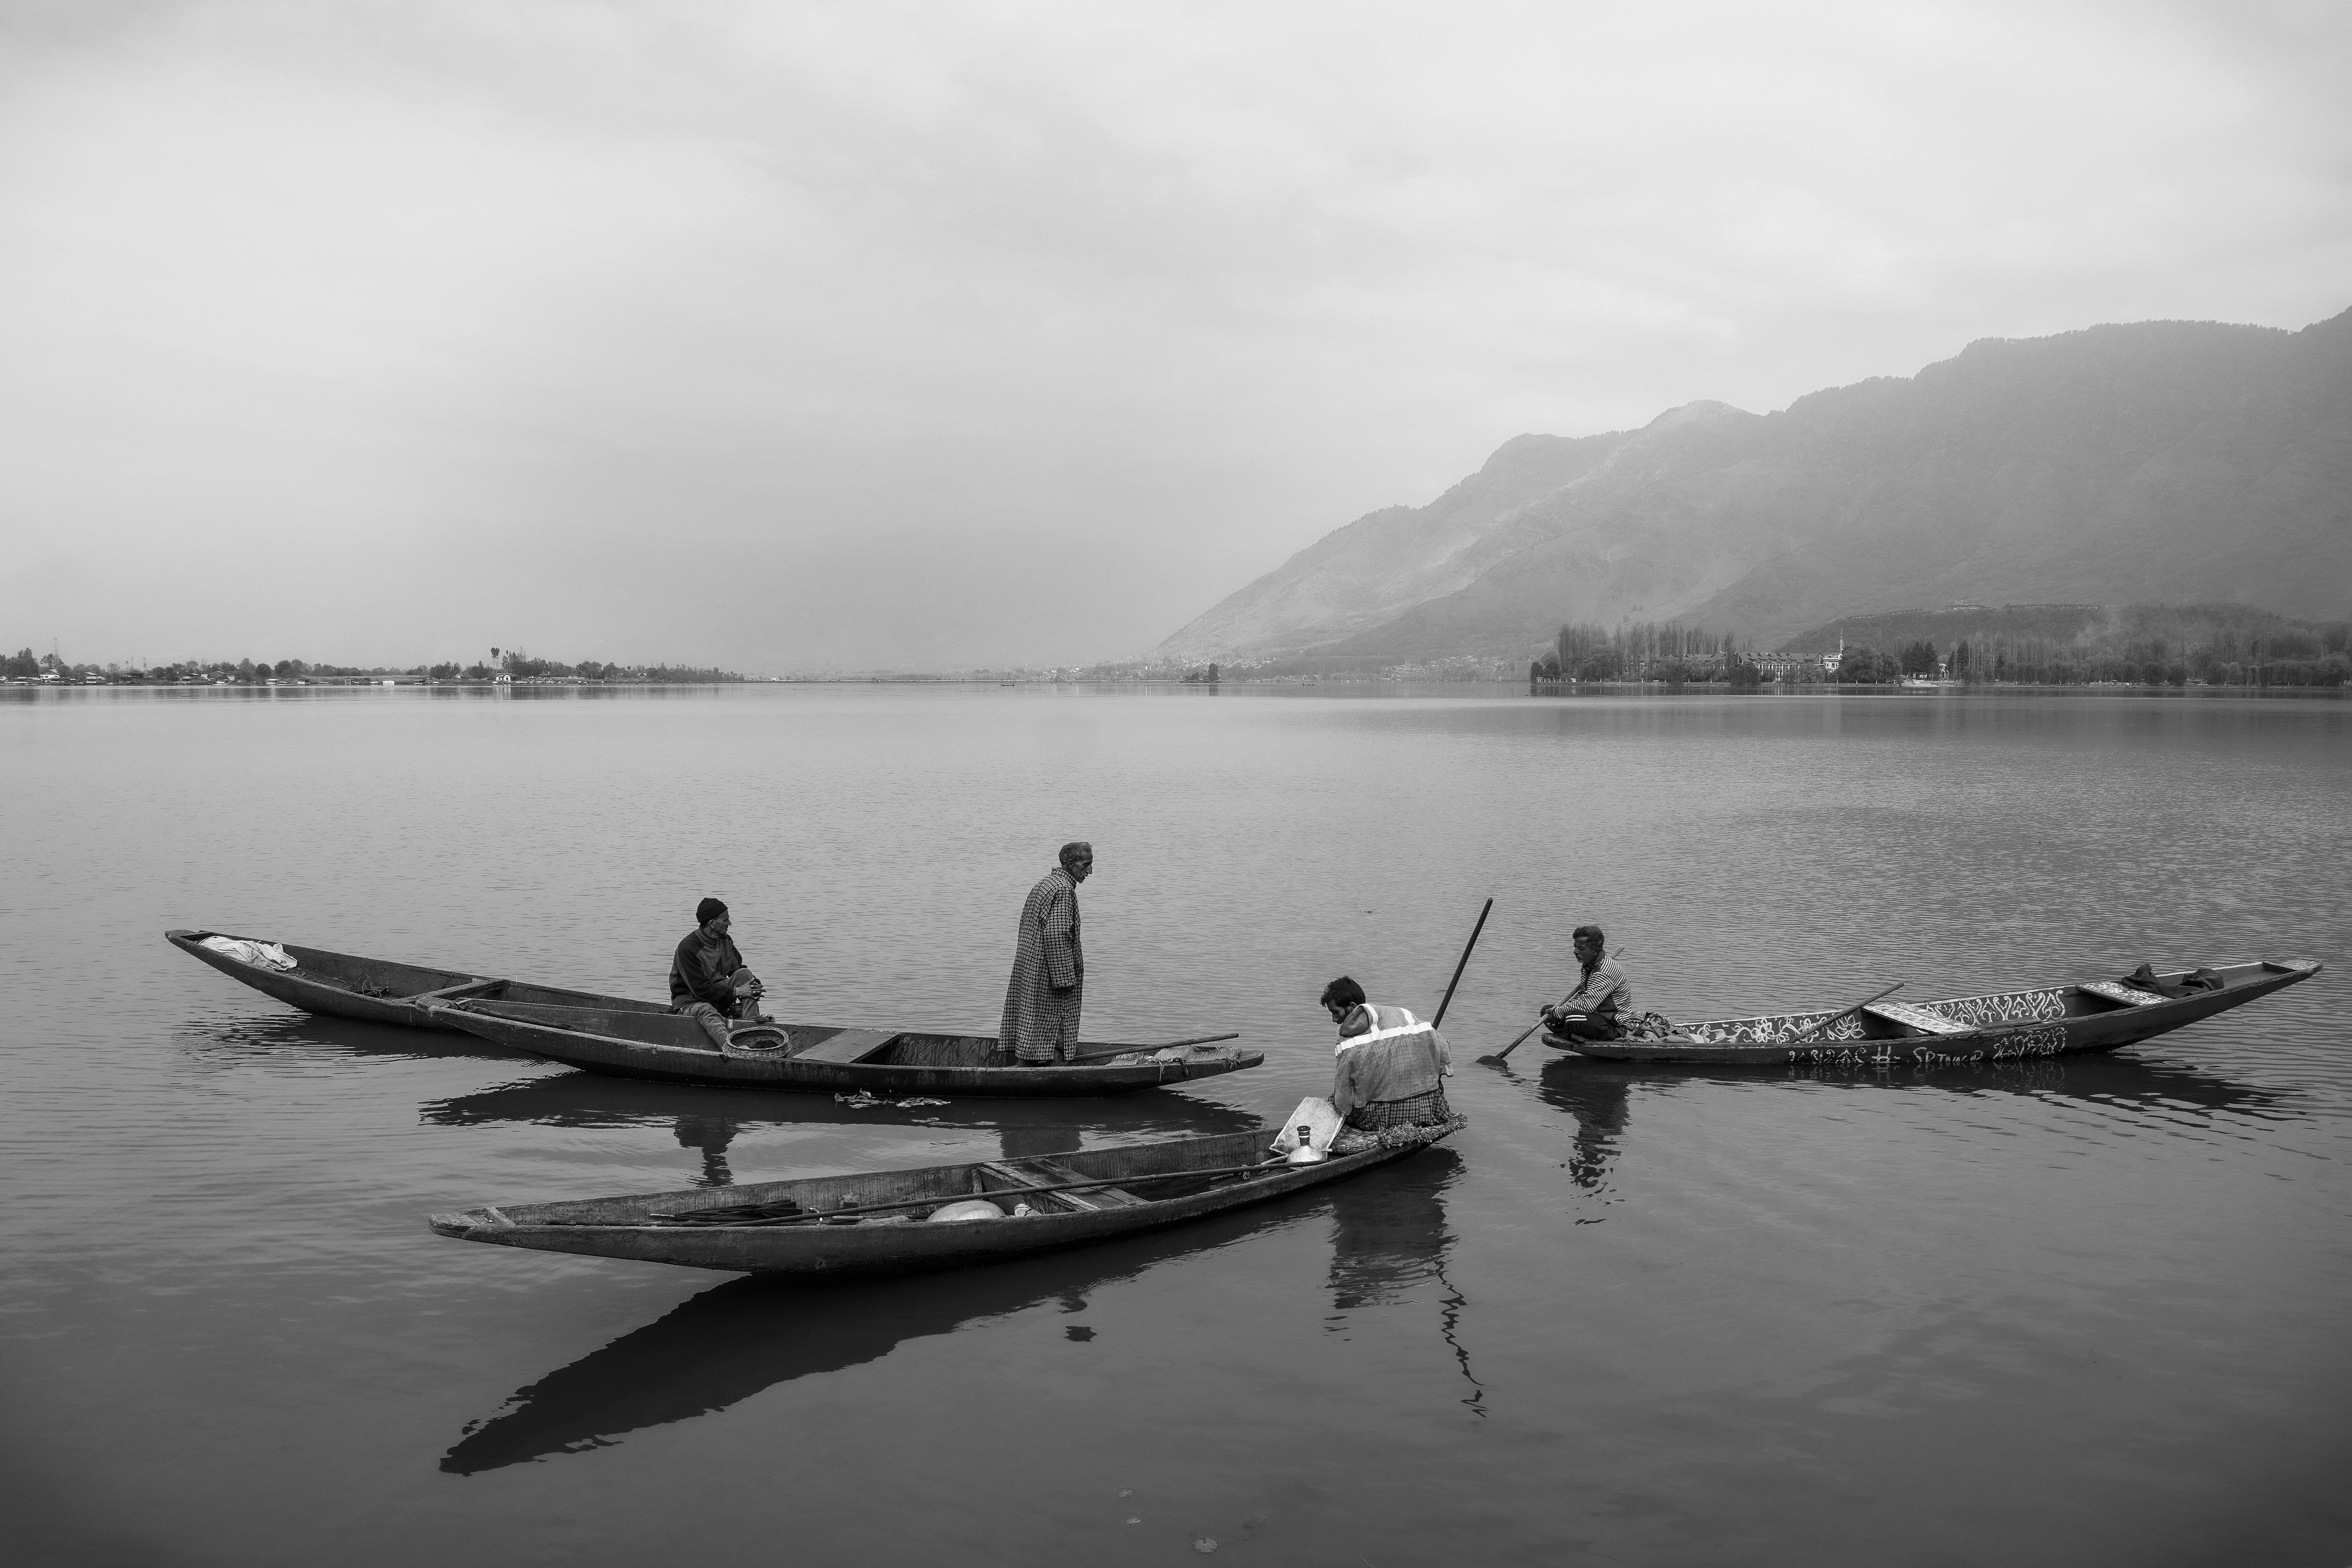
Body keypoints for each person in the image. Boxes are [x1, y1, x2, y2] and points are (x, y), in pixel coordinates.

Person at [999, 842, 1091, 1065]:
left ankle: (1027, 1064)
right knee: (1054, 1022)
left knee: (1033, 1019)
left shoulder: (1045, 884)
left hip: (1030, 964)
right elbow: (1056, 935)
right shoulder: (1064, 890)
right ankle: (1052, 1066)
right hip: (1047, 971)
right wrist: (1065, 979)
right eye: (1086, 865)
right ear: (1070, 865)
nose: (1089, 871)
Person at [1323, 975, 1454, 1129]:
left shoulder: (1349, 1044)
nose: (1334, 1019)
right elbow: (1443, 1046)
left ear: (1352, 1008)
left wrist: (1337, 1108)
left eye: (1335, 1012)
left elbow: (1343, 1098)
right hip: (1426, 1108)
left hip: (1379, 1119)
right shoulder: (1403, 1015)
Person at [671, 897, 765, 1049]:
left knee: (745, 974)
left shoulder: (725, 941)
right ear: (713, 923)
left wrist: (754, 986)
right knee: (706, 1010)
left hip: (719, 996)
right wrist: (737, 992)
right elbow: (700, 990)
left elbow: (739, 970)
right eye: (726, 920)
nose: (730, 923)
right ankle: (731, 1048)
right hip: (692, 1002)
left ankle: (751, 1026)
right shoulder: (687, 949)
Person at [1542, 925, 1631, 1042]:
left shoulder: (1605, 972)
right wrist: (1556, 1011)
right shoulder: (1589, 966)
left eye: (1581, 949)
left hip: (1613, 1025)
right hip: (1595, 1016)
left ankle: (1579, 1035)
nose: (1575, 952)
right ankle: (1574, 1036)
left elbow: (1586, 1005)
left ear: (1595, 951)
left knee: (1573, 1017)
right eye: (1575, 947)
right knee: (1547, 1011)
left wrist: (1558, 1013)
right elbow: (1583, 995)